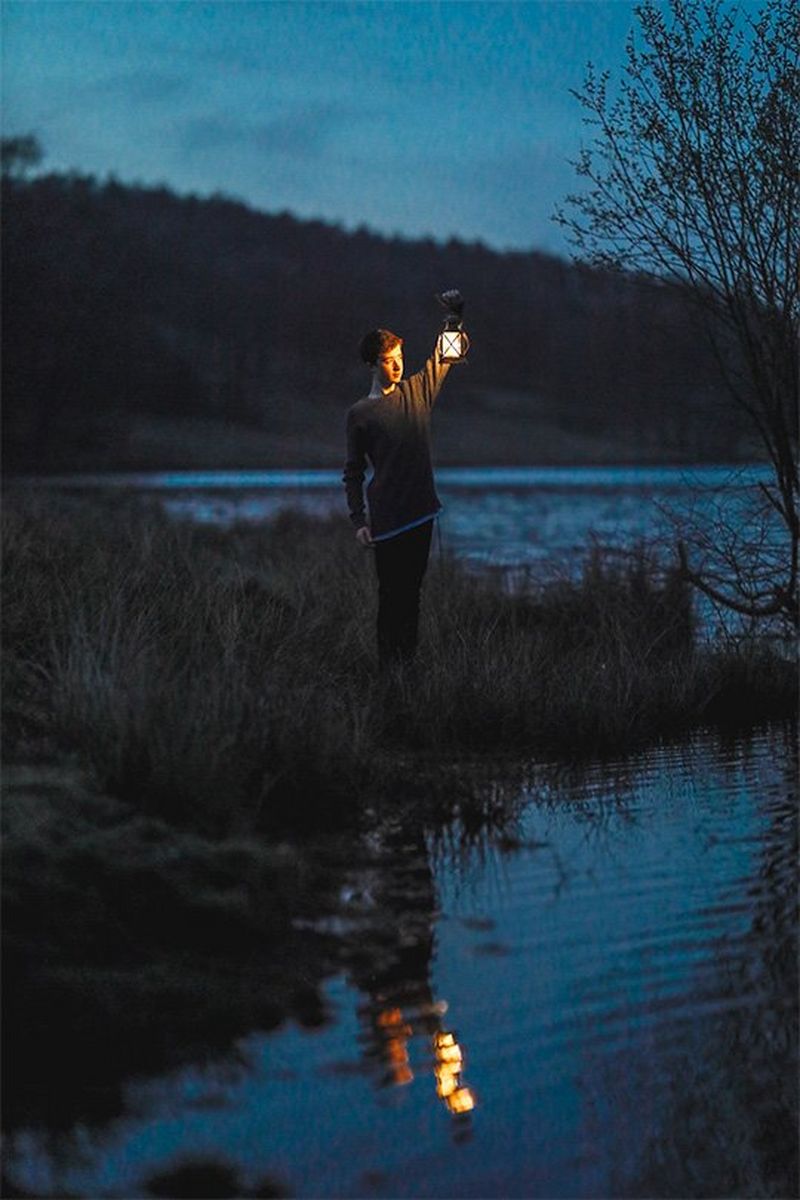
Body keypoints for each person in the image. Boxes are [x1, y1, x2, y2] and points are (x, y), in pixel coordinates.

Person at [342, 290, 465, 669]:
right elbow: (353, 472)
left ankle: (405, 672)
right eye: (388, 360)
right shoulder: (360, 414)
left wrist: (454, 319)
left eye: (399, 358)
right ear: (371, 363)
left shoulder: (418, 391)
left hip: (421, 513)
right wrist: (359, 520)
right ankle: (386, 671)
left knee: (412, 596)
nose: (396, 366)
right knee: (390, 596)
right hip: (388, 519)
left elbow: (447, 355)